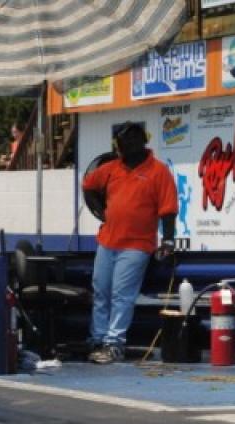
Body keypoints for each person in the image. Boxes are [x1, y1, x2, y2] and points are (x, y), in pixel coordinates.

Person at [80, 123, 178, 364]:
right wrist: (103, 211)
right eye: (123, 141)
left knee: (121, 295)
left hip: (137, 245)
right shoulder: (111, 168)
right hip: (107, 241)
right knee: (101, 292)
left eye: (133, 139)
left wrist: (168, 239)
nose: (127, 145)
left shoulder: (158, 171)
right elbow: (88, 185)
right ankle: (98, 339)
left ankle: (114, 344)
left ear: (143, 141)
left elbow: (168, 208)